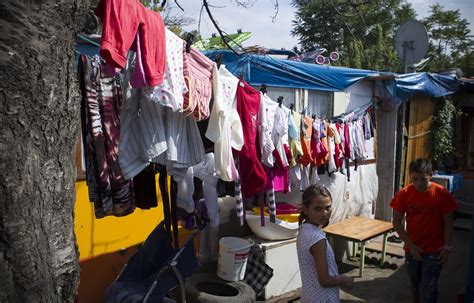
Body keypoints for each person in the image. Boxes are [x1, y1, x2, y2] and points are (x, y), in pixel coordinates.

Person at [390, 158, 459, 303]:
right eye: (415, 179)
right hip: (412, 249)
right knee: (415, 287)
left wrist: (446, 247)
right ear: (410, 175)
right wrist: (410, 245)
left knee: (428, 289)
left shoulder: (441, 193)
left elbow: (448, 221)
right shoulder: (404, 194)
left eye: (423, 180)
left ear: (431, 175)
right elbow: (396, 222)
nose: (419, 184)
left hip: (435, 250)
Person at [296, 184, 353, 303]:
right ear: (305, 209)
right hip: (323, 298)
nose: (324, 213)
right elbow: (325, 280)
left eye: (328, 208)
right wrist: (343, 279)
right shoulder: (317, 239)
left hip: (309, 296)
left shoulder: (304, 229)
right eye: (318, 209)